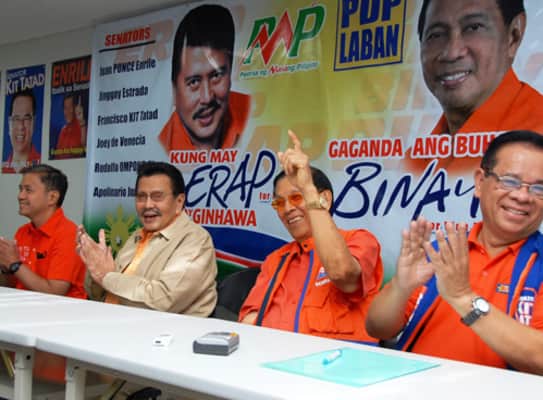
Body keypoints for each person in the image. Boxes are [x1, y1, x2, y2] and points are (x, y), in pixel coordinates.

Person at [367, 130, 543, 374]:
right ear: (480, 182)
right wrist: (401, 287)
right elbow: (377, 328)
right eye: (510, 181)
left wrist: (463, 298)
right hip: (413, 387)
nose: (522, 196)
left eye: (538, 188)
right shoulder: (442, 252)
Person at [239, 130, 383, 342]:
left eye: (297, 197)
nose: (288, 209)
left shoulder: (359, 240)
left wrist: (307, 187)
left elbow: (343, 274)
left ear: (325, 199)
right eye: (279, 203)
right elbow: (250, 319)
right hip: (272, 357)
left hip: (337, 360)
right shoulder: (276, 260)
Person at [404, 0, 543, 174]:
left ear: (513, 36)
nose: (452, 53)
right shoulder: (413, 164)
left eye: (473, 28)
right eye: (436, 35)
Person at [78, 161, 217, 316]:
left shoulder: (196, 240)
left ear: (179, 201)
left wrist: (106, 277)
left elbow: (164, 299)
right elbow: (99, 295)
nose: (147, 205)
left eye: (157, 197)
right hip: (113, 321)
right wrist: (95, 268)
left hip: (164, 329)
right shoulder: (136, 236)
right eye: (141, 197)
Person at [0, 164, 87, 382]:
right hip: (23, 322)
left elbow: (55, 292)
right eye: (20, 189)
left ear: (52, 197)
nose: (20, 196)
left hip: (58, 331)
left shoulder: (68, 234)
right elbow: (13, 284)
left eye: (28, 190)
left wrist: (15, 264)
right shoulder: (23, 231)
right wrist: (4, 267)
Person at [158, 4, 250, 152]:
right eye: (193, 82)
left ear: (230, 74)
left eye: (216, 76)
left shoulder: (252, 115)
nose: (207, 98)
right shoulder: (161, 148)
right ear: (174, 91)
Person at [2, 89, 41, 173]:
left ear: (33, 122)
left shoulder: (42, 167)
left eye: (26, 118)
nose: (20, 126)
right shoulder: (3, 168)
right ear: (9, 123)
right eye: (16, 118)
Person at [54, 93, 87, 159]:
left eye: (70, 107)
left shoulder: (82, 127)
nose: (67, 111)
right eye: (65, 108)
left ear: (76, 108)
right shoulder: (63, 130)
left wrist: (82, 123)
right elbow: (57, 156)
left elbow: (85, 148)